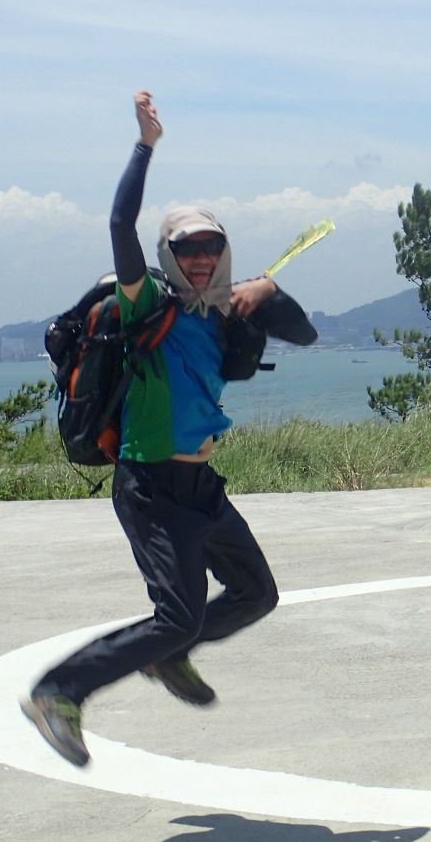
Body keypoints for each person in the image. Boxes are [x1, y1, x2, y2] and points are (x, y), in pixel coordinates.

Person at [21, 90, 316, 767]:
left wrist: (269, 291)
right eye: (189, 248)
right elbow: (119, 223)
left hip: (200, 485)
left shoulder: (227, 312)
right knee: (176, 614)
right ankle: (58, 692)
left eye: (212, 246)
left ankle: (169, 654)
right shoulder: (145, 302)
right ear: (170, 252)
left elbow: (303, 333)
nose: (202, 258)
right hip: (151, 486)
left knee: (257, 595)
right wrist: (144, 146)